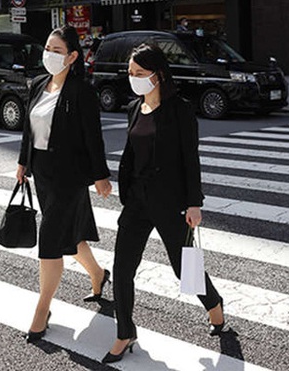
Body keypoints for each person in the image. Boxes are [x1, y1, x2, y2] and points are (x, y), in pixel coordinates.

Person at [102, 44, 225, 364]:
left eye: (139, 74)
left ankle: (214, 305)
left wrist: (194, 203)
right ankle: (124, 332)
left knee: (183, 267)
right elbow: (130, 155)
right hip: (137, 202)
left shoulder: (180, 110)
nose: (133, 79)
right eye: (130, 73)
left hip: (170, 202)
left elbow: (190, 159)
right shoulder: (133, 108)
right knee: (122, 268)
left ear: (158, 75)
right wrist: (125, 190)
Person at [16, 25, 113, 343]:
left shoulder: (81, 90)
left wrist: (100, 175)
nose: (49, 55)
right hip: (42, 172)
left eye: (56, 51)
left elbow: (92, 136)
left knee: (51, 239)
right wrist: (22, 162)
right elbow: (29, 130)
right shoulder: (38, 84)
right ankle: (98, 274)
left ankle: (42, 309)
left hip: (69, 176)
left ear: (72, 56)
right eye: (47, 48)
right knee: (68, 236)